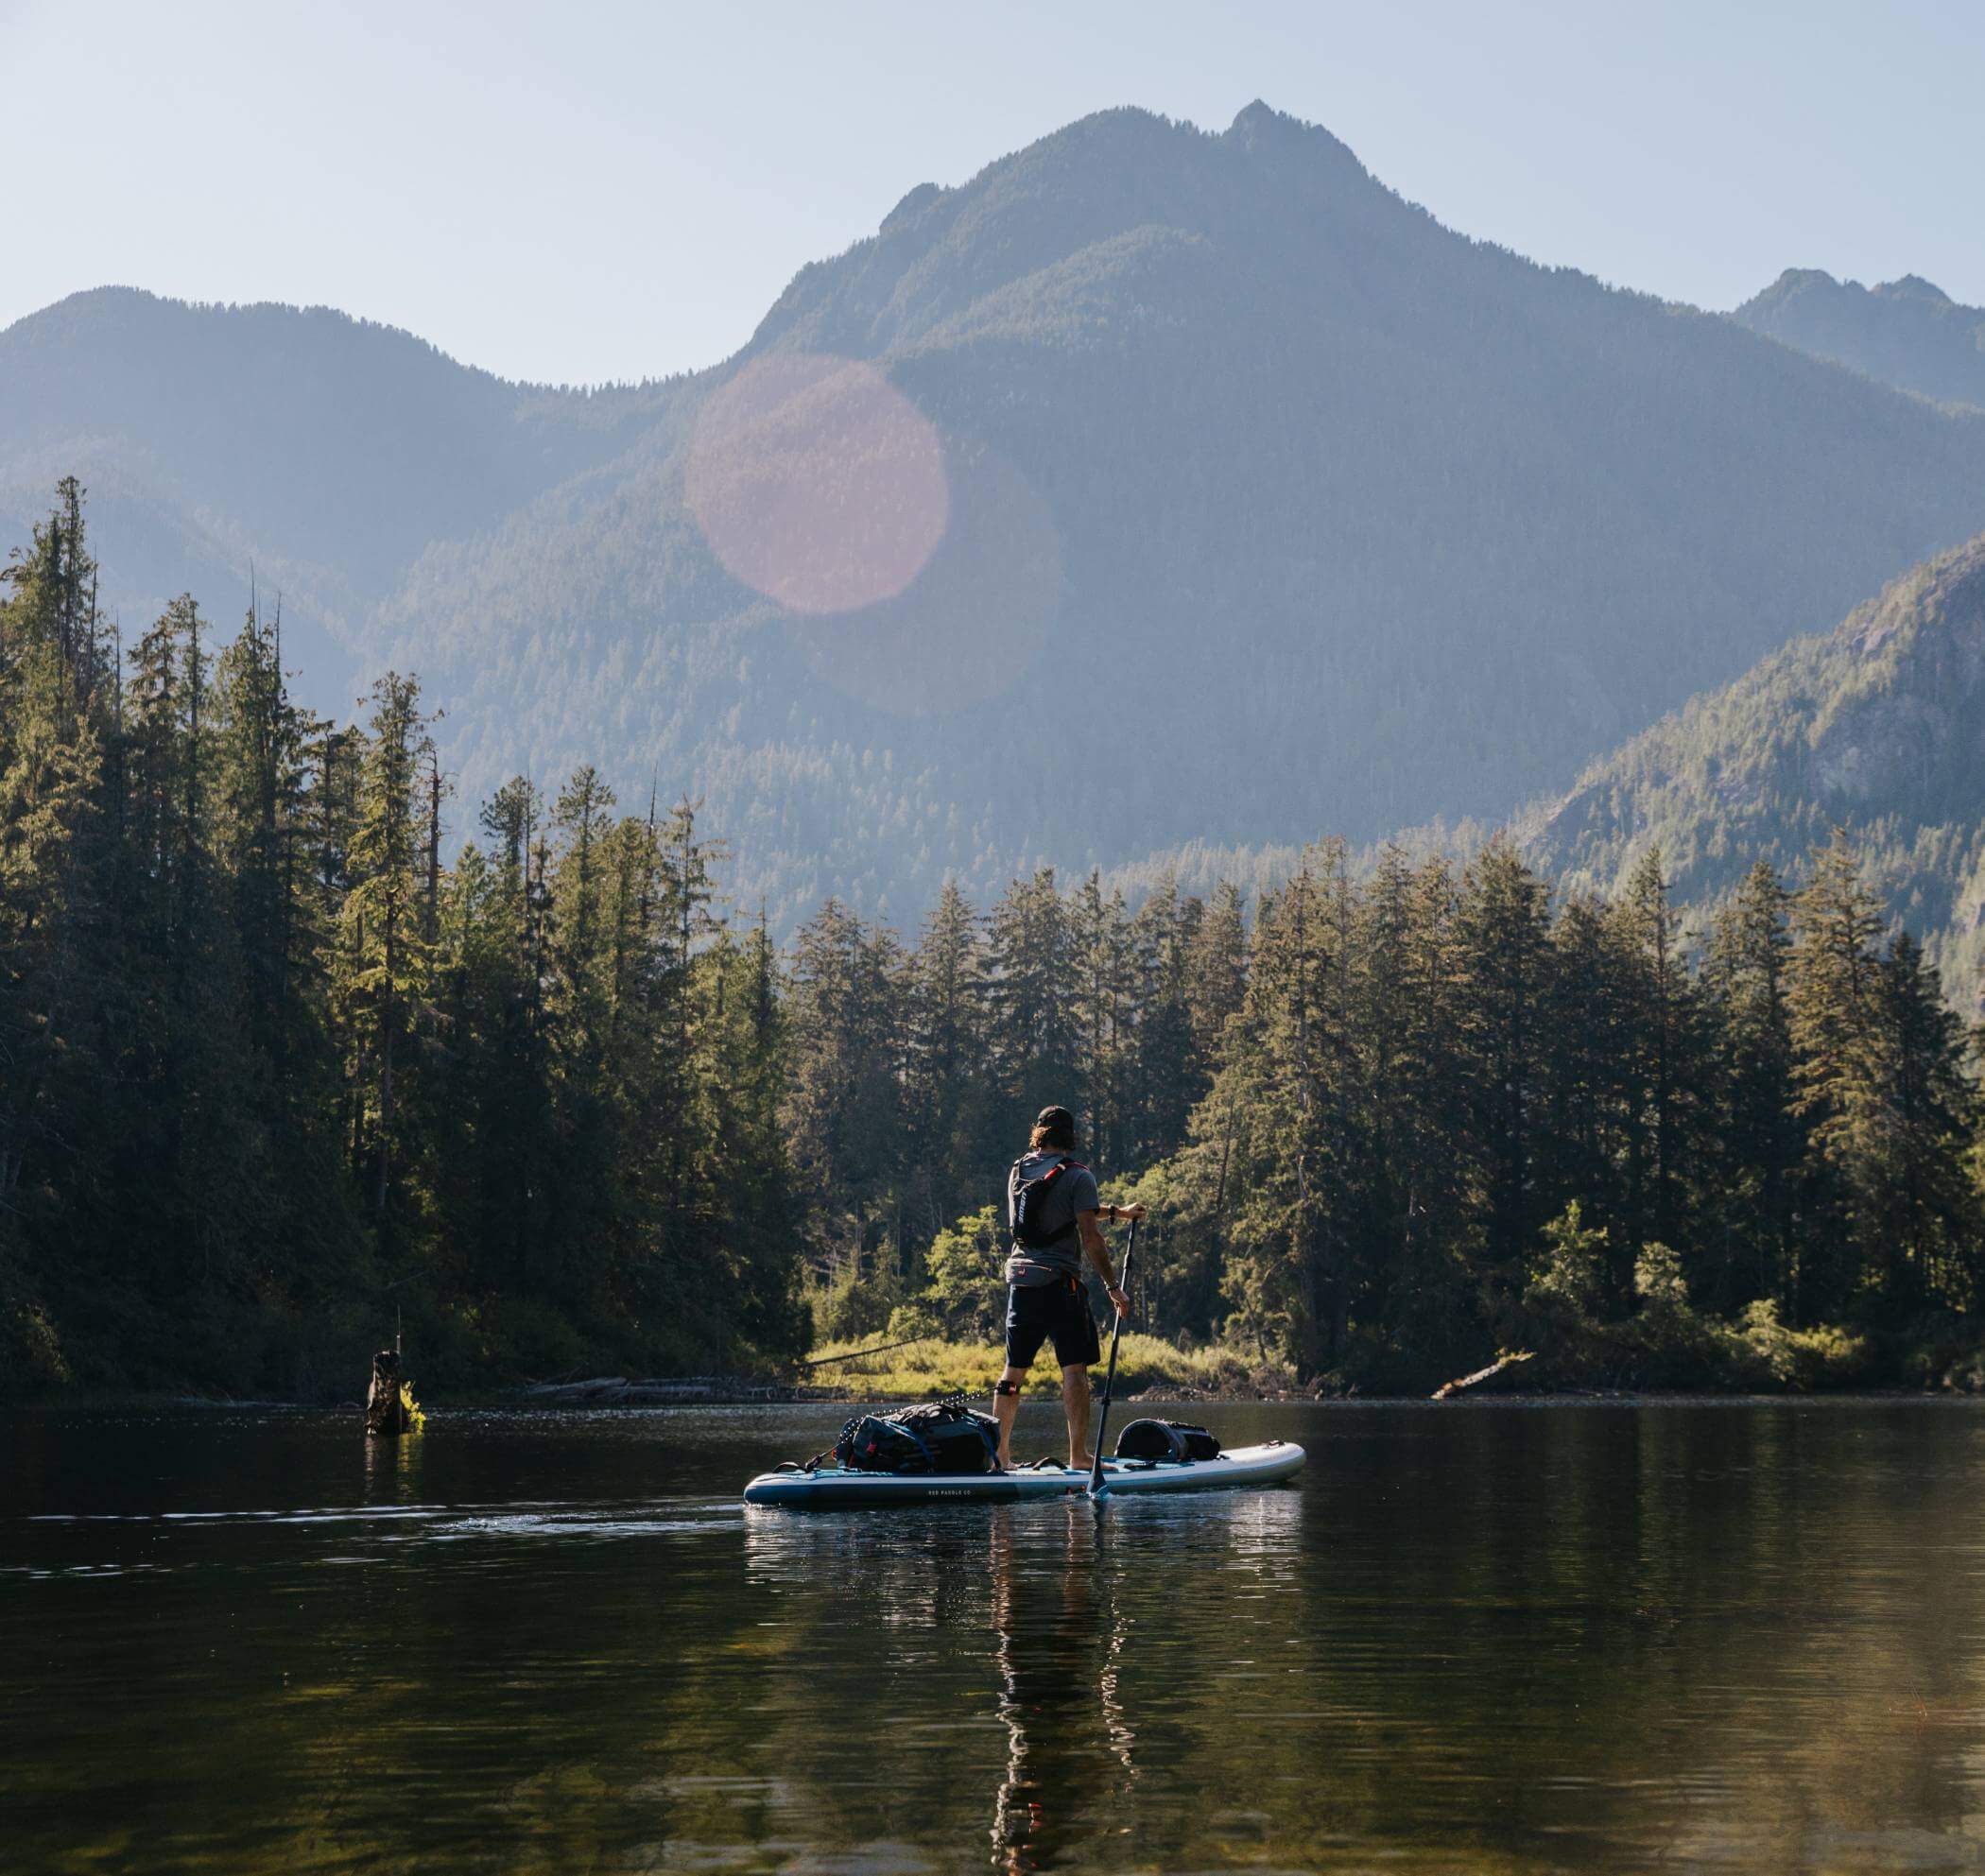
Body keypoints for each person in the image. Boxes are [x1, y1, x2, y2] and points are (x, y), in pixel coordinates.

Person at [992, 1106, 1145, 1471]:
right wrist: (1113, 1286)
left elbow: (1058, 1213)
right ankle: (1078, 1456)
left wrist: (1118, 1213)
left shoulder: (1018, 1171)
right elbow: (1089, 1236)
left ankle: (999, 1456)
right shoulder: (1079, 1176)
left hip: (1023, 1282)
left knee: (1013, 1372)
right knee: (1074, 1370)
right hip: (1061, 1286)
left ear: (1039, 1133)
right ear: (1071, 1137)